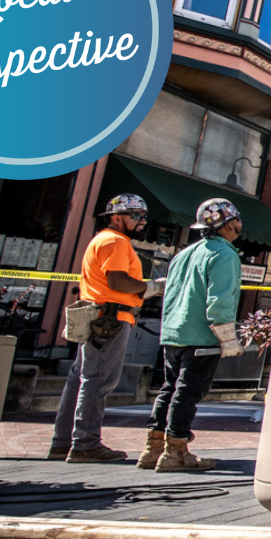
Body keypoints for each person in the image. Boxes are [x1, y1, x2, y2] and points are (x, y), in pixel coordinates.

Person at [51, 193, 162, 464]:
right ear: (116, 217)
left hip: (100, 317)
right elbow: (118, 282)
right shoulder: (115, 241)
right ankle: (85, 444)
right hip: (110, 320)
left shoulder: (104, 239)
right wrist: (152, 287)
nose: (141, 221)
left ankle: (63, 443)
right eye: (135, 216)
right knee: (98, 380)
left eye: (143, 216)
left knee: (81, 380)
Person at [146, 198, 246, 473]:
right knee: (188, 392)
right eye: (236, 220)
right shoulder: (224, 255)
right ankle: (176, 451)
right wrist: (228, 338)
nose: (239, 224)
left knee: (169, 388)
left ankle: (153, 447)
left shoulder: (184, 253)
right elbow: (220, 300)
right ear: (227, 225)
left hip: (173, 332)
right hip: (200, 336)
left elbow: (172, 291)